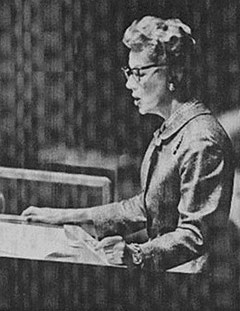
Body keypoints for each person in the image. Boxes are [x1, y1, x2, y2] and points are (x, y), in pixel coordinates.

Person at [22, 16, 234, 273]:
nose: (129, 83)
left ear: (174, 72)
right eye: (129, 72)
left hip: (195, 289)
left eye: (138, 73)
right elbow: (146, 206)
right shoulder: (175, 128)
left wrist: (136, 254)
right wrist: (63, 216)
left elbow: (196, 236)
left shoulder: (202, 139)